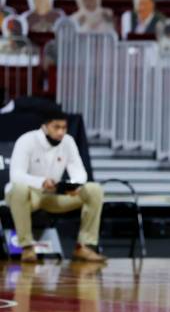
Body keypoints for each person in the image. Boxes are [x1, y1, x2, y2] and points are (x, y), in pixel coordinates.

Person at [4, 110, 107, 263]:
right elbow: (16, 176)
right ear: (45, 127)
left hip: (54, 195)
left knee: (94, 189)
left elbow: (80, 174)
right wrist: (41, 182)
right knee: (19, 189)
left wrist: (71, 186)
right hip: (29, 195)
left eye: (64, 128)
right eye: (56, 127)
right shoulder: (27, 141)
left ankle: (84, 246)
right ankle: (26, 247)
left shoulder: (68, 142)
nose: (61, 132)